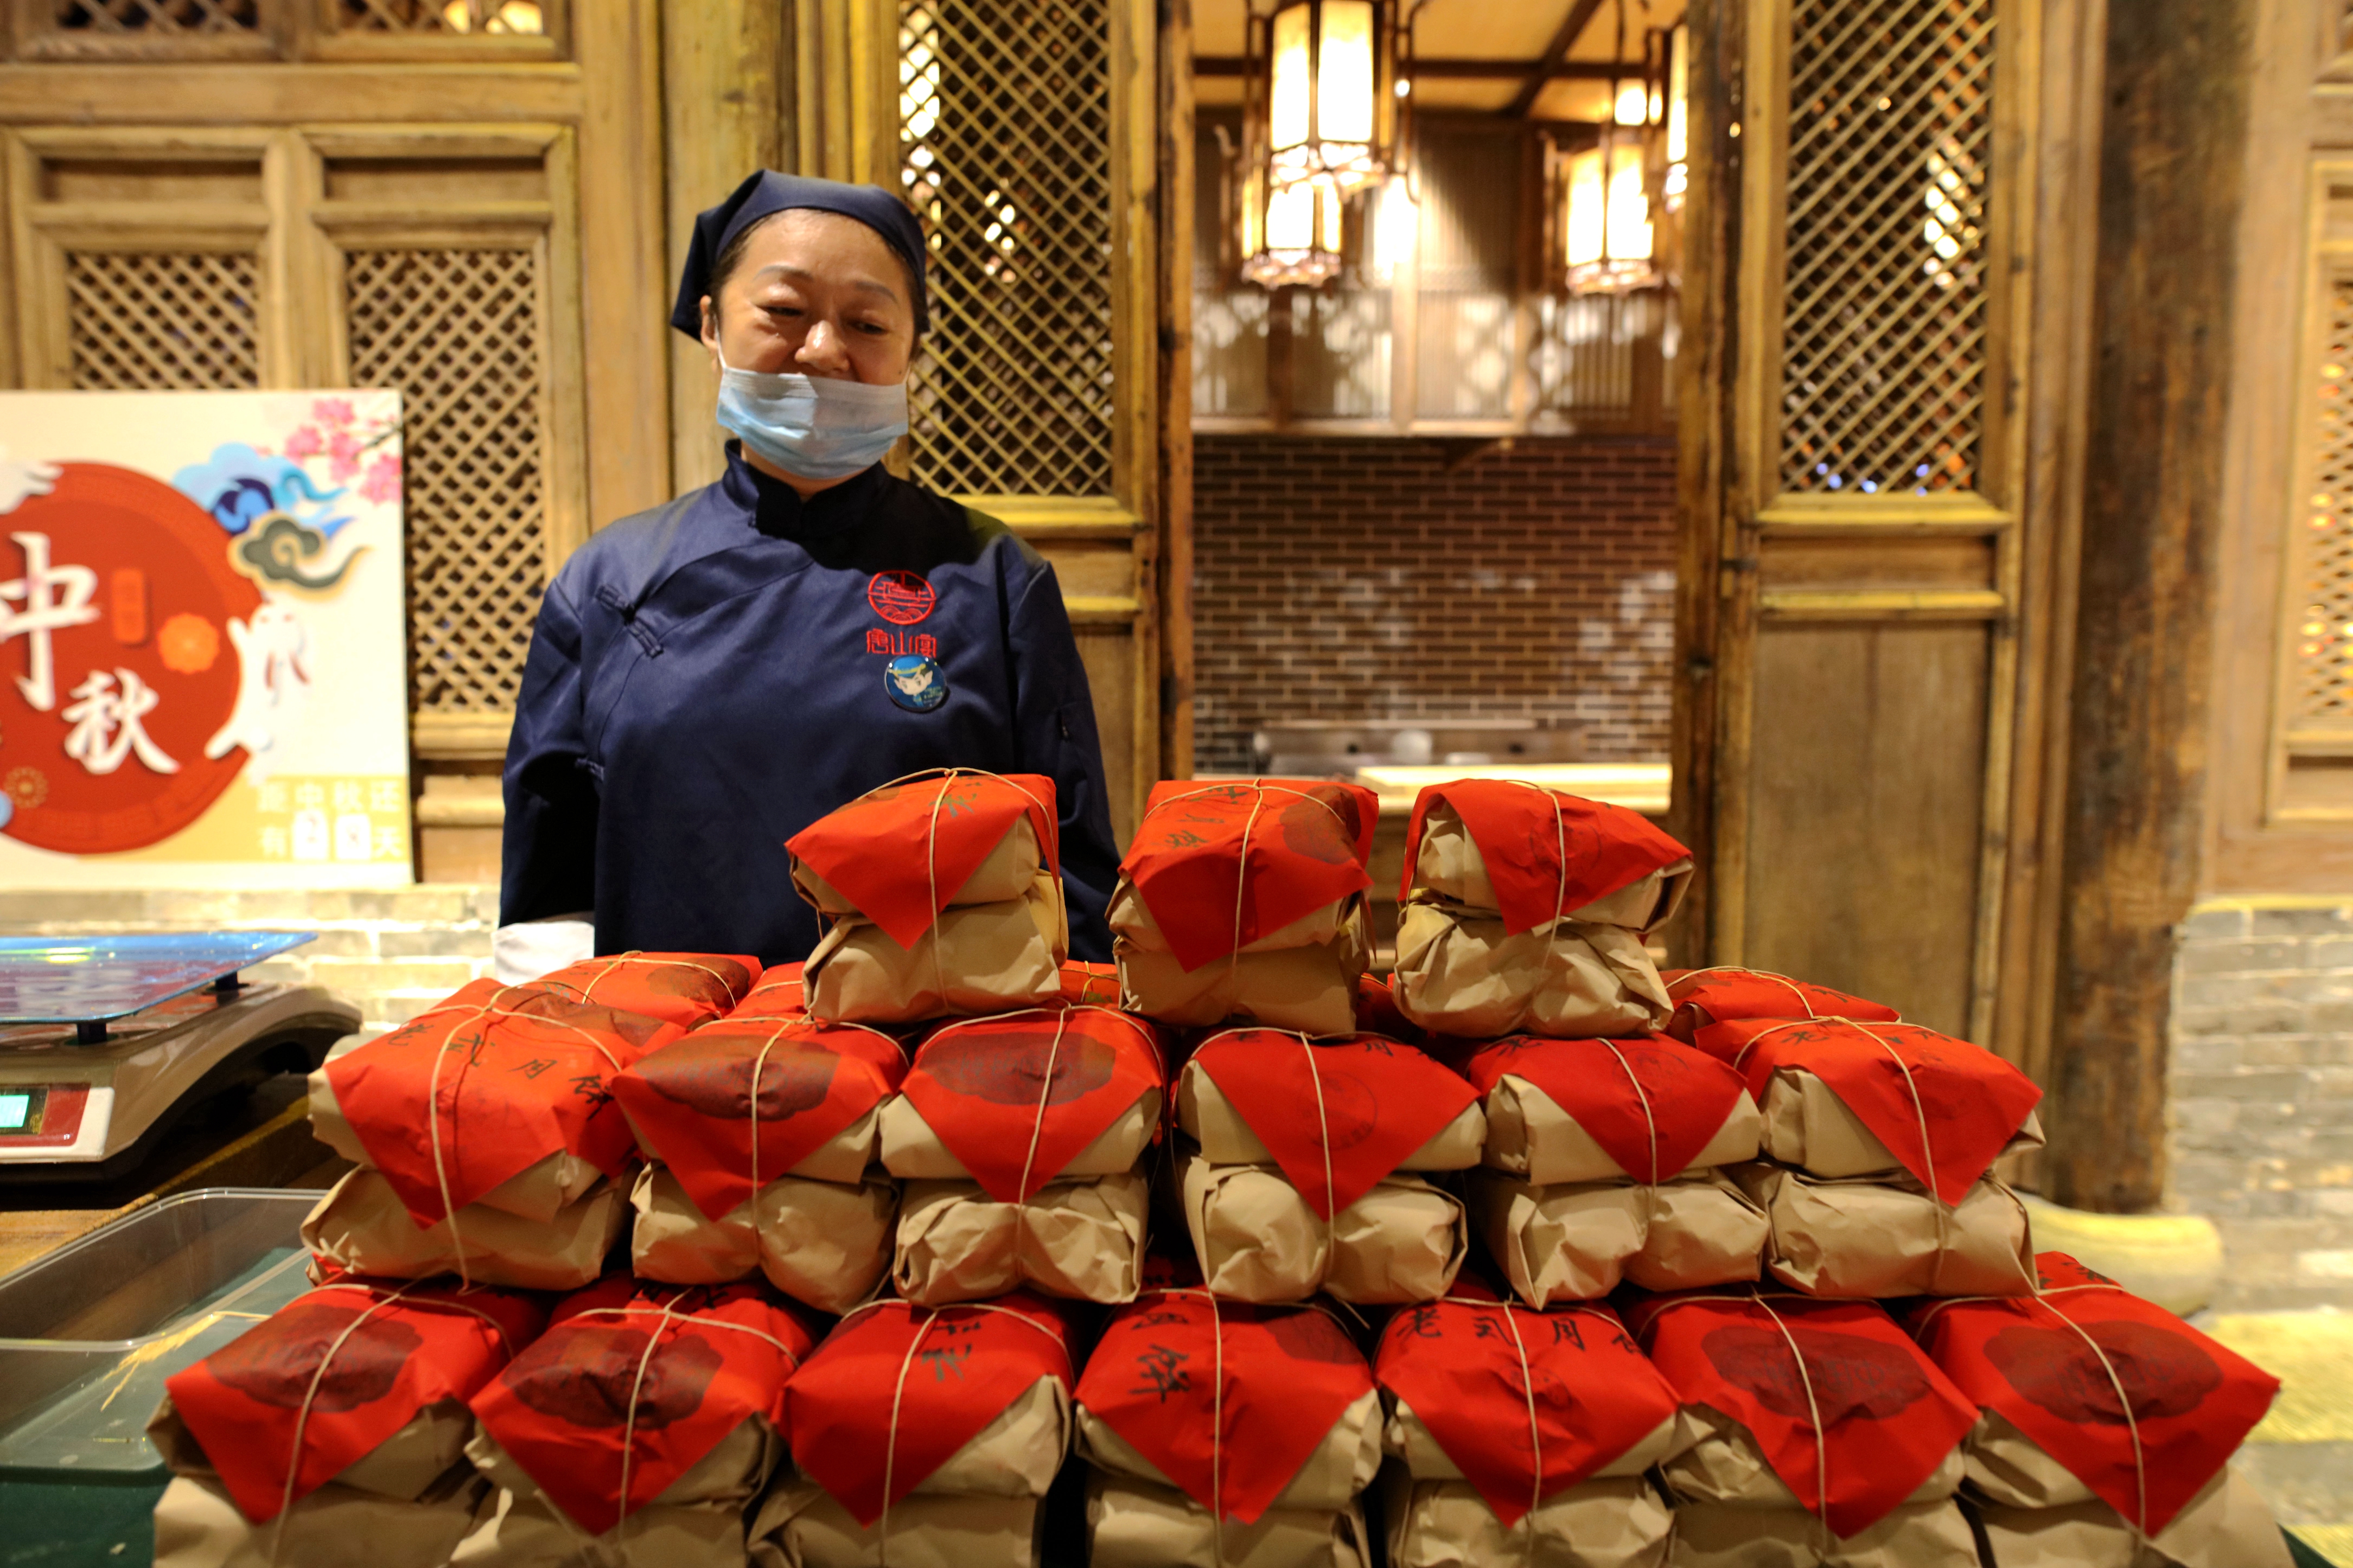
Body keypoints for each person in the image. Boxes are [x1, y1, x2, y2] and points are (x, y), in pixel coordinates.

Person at [496, 171, 1121, 973]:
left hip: (924, 1074)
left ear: (909, 352)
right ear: (713, 324)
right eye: (785, 312)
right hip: (667, 1066)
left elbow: (1066, 864)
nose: (824, 350)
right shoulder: (609, 582)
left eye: (866, 323)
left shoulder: (992, 577)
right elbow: (551, 893)